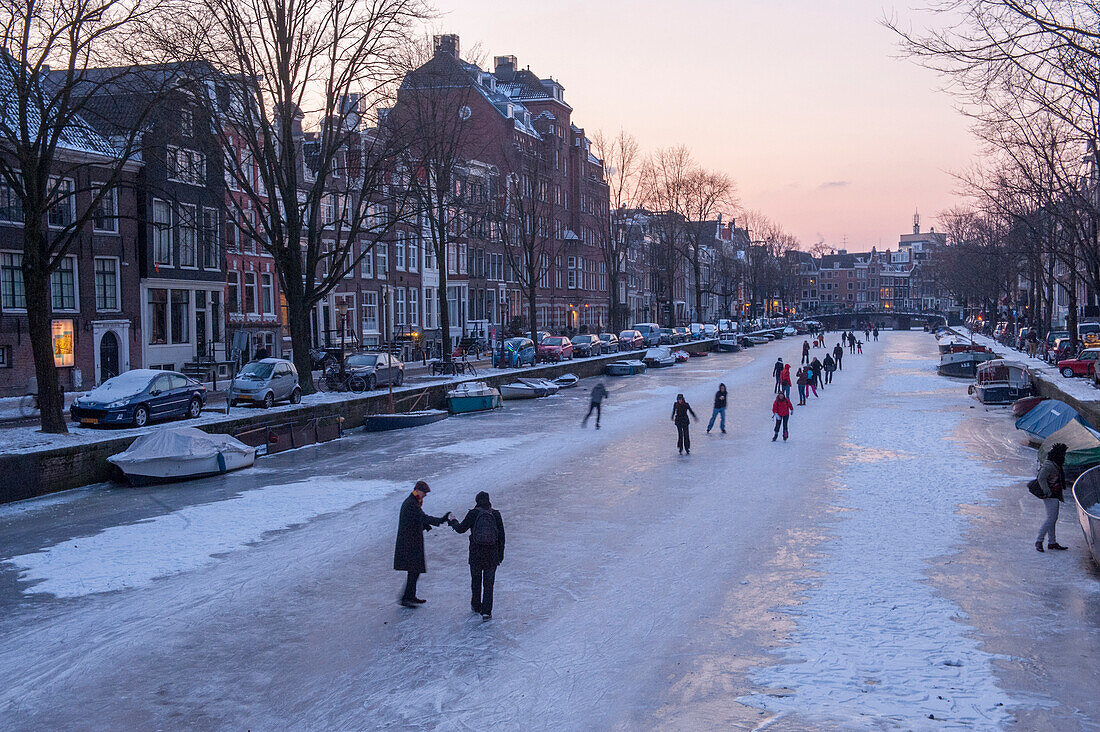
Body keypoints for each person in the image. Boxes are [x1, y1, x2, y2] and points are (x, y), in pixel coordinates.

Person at [448, 491, 506, 619]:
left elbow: (461, 529)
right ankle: (486, 611)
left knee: (476, 580)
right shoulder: (495, 514)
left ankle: (476, 605)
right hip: (492, 555)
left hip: (476, 554)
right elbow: (501, 536)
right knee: (489, 583)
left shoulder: (473, 513)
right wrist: (500, 554)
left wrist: (453, 521)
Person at [394, 480, 449, 607]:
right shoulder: (411, 504)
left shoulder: (413, 501)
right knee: (414, 569)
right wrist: (441, 519)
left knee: (415, 570)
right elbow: (422, 517)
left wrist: (425, 526)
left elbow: (417, 518)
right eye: (424, 492)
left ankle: (410, 596)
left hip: (411, 541)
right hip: (409, 543)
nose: (425, 495)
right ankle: (406, 598)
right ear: (417, 490)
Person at [1035, 443, 1069, 552]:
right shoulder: (1050, 465)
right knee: (1051, 518)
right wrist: (1047, 491)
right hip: (1051, 495)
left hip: (1054, 494)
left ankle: (1052, 542)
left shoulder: (1054, 464)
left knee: (1052, 518)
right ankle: (1039, 540)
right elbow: (1041, 478)